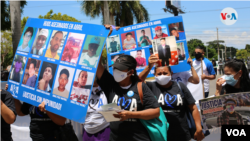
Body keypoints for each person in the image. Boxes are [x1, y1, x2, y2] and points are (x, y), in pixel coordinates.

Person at [96, 55, 160, 141]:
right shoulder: (110, 84)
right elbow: (97, 65)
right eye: (115, 68)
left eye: (120, 69)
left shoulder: (140, 86)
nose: (116, 71)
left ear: (130, 72)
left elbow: (156, 111)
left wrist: (130, 114)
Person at [139, 65, 204, 141]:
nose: (162, 76)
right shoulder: (151, 86)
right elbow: (138, 81)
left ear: (171, 74)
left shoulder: (180, 86)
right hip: (160, 133)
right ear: (154, 75)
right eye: (159, 74)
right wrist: (149, 66)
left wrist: (198, 127)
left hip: (181, 132)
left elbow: (193, 108)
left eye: (165, 73)